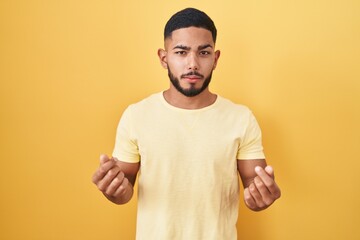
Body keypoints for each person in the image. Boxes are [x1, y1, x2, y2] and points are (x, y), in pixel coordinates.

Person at [92, 7, 281, 240]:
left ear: (216, 58)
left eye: (203, 53)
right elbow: (124, 190)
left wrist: (262, 195)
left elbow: (254, 185)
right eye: (181, 52)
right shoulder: (136, 115)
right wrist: (112, 188)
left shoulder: (241, 118)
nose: (192, 64)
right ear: (164, 58)